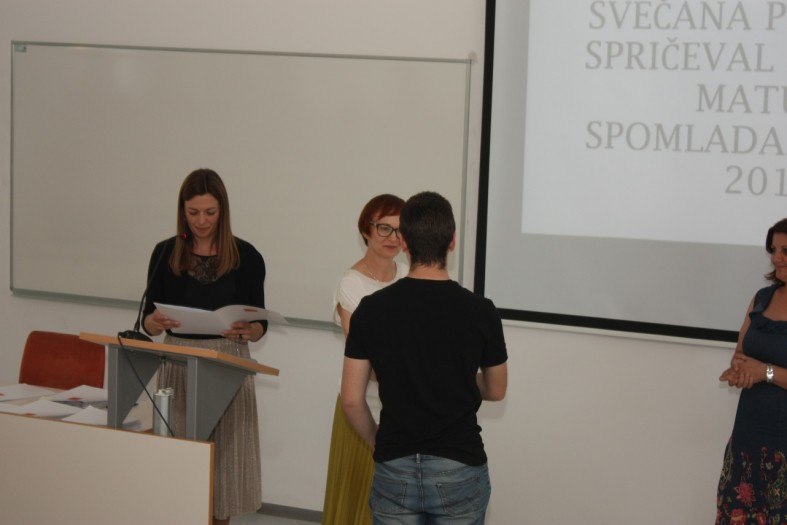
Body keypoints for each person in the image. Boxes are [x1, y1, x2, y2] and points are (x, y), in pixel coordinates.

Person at [341, 191, 508, 524]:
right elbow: (496, 390)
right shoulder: (481, 311)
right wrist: (456, 378)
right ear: (453, 241)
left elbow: (351, 399)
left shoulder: (370, 311)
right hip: (459, 464)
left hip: (394, 463)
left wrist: (377, 440)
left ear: (404, 242)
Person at [141, 168, 266, 525]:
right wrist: (153, 323)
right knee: (180, 463)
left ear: (222, 211)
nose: (201, 221)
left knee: (223, 467)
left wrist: (250, 330)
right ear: (182, 211)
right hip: (178, 364)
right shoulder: (165, 252)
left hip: (227, 365)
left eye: (209, 212)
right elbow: (148, 321)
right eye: (193, 212)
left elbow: (261, 324)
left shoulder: (247, 256)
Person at [323, 194, 409, 525]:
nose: (392, 238)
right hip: (361, 405)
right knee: (359, 501)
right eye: (384, 228)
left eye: (399, 230)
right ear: (365, 231)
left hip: (403, 407)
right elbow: (365, 357)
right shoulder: (351, 283)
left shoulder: (409, 275)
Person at [716, 217, 787, 524]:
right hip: (749, 436)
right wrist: (739, 369)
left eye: (785, 250)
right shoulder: (762, 298)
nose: (776, 257)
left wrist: (765, 372)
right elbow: (741, 353)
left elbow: (762, 368)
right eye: (773, 249)